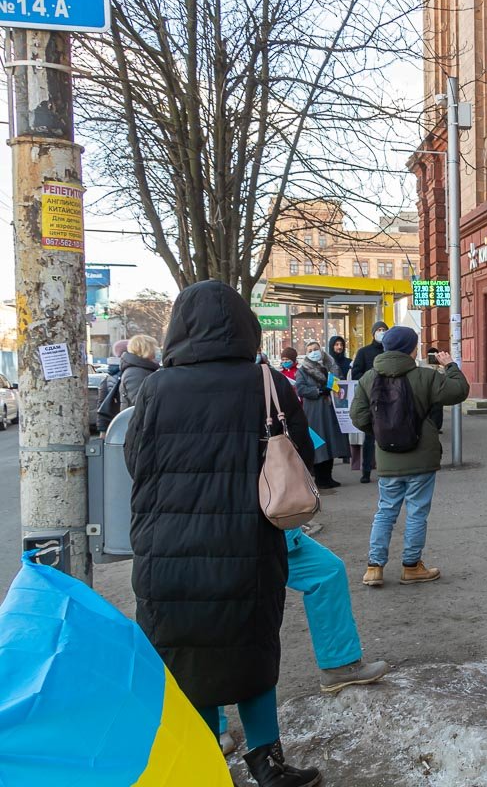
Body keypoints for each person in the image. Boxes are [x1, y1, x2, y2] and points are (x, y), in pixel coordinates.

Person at [124, 280, 322, 786]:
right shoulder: (266, 383)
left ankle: (204, 761)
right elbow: (302, 455)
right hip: (247, 547)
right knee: (251, 647)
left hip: (166, 549)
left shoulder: (153, 389)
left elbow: (135, 463)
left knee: (188, 653)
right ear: (244, 325)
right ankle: (266, 763)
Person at [218, 526, 389, 755]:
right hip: (228, 528)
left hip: (265, 525)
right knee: (217, 612)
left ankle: (339, 663)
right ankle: (211, 727)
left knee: (327, 570)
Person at [353, 326, 469, 587]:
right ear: (411, 348)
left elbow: (358, 416)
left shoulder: (368, 379)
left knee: (385, 511)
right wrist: (450, 366)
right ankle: (411, 566)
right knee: (417, 512)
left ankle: (374, 567)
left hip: (387, 457)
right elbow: (459, 391)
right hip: (421, 457)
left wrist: (383, 431)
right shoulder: (425, 377)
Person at [295, 340, 351, 489]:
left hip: (330, 409)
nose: (314, 352)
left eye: (316, 349)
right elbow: (300, 389)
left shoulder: (330, 366)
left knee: (331, 442)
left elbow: (339, 382)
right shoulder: (303, 370)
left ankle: (329, 476)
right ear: (306, 354)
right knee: (319, 444)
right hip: (314, 411)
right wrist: (318, 391)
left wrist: (334, 386)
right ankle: (320, 478)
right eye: (310, 350)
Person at [351, 321, 389, 483]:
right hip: (370, 398)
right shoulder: (364, 352)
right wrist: (370, 380)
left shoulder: (391, 351)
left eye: (384, 330)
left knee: (388, 434)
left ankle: (387, 468)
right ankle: (366, 471)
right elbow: (356, 374)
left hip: (389, 398)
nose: (381, 332)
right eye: (379, 330)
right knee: (369, 437)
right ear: (373, 333)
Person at [118, 334, 160, 409]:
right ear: (146, 349)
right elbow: (140, 403)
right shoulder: (135, 373)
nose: (157, 350)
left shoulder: (142, 369)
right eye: (154, 348)